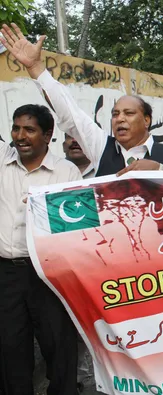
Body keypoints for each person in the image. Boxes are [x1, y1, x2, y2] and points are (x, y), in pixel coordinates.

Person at [0, 23, 163, 177]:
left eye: (129, 113)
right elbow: (69, 112)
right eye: (115, 114)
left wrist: (160, 171)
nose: (120, 119)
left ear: (147, 120)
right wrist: (35, 67)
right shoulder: (101, 148)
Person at [0, 104, 81, 395]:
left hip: (49, 275)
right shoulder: (2, 159)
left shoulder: (66, 172)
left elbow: (79, 229)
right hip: (7, 274)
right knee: (10, 351)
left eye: (29, 130)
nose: (20, 136)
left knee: (58, 348)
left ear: (48, 135)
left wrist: (44, 212)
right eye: (16, 128)